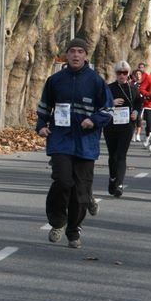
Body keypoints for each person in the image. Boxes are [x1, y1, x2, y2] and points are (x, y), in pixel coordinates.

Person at [36, 38, 112, 249]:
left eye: (80, 51)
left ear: (86, 55)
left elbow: (107, 110)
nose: (76, 55)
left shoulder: (96, 81)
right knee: (62, 182)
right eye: (72, 52)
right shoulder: (55, 80)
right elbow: (44, 108)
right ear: (66, 55)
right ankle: (58, 221)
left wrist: (93, 120)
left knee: (81, 192)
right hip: (61, 140)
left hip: (86, 143)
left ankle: (73, 229)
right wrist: (41, 126)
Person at [103, 61, 142, 197]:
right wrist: (111, 103)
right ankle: (112, 178)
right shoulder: (108, 88)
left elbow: (138, 102)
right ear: (116, 74)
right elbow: (100, 104)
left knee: (121, 155)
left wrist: (136, 112)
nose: (122, 75)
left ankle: (119, 184)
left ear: (128, 74)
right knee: (112, 155)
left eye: (124, 73)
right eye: (119, 73)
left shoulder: (133, 89)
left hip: (126, 126)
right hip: (110, 126)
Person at [130, 68, 145, 142]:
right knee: (133, 119)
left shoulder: (144, 83)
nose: (138, 76)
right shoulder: (132, 84)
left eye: (139, 74)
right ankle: (133, 134)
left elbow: (147, 91)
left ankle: (138, 135)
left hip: (141, 103)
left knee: (139, 118)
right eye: (136, 74)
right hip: (133, 103)